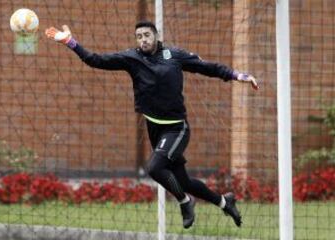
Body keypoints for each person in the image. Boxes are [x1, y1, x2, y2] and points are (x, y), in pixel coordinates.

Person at [45, 20, 258, 229]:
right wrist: (71, 42)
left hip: (177, 128)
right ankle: (224, 202)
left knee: (155, 168)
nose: (143, 40)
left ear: (156, 36)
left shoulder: (174, 56)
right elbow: (95, 60)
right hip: (155, 127)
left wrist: (238, 75)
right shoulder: (132, 58)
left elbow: (208, 68)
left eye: (147, 35)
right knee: (183, 182)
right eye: (139, 37)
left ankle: (185, 202)